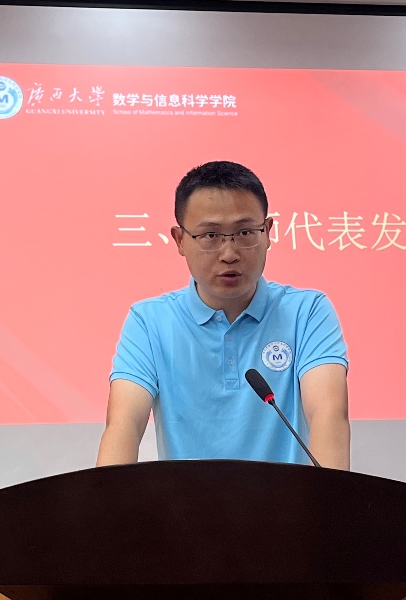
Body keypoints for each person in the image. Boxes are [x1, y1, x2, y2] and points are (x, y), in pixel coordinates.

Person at [95, 160, 350, 469]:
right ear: (180, 240)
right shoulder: (149, 322)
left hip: (288, 500)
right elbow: (124, 423)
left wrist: (328, 498)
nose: (229, 254)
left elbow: (328, 414)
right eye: (210, 236)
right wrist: (105, 498)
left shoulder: (307, 312)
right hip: (185, 500)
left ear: (268, 232)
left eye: (245, 232)